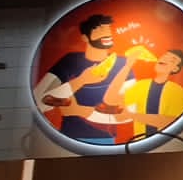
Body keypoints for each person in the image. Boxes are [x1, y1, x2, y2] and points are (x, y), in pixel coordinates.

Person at [32, 14, 129, 143]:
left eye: (108, 29)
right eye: (100, 29)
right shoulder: (70, 61)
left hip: (107, 140)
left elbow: (128, 114)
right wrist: (81, 80)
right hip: (68, 139)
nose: (107, 34)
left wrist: (78, 110)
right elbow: (38, 102)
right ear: (85, 38)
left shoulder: (123, 63)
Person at [119, 49, 183, 139]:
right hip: (138, 141)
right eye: (164, 56)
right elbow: (118, 106)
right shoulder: (140, 85)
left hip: (165, 142)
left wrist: (132, 115)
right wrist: (128, 66)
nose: (165, 59)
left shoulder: (177, 91)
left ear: (175, 69)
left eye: (172, 60)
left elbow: (172, 121)